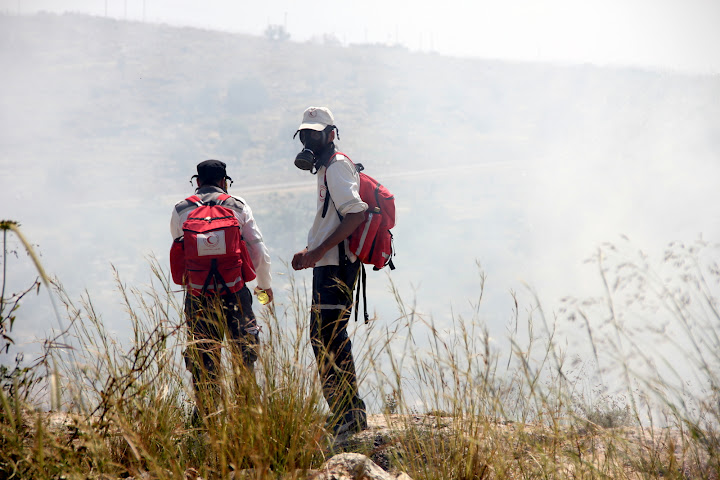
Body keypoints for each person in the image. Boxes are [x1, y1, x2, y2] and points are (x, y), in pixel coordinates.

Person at [171, 159, 273, 420]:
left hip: (198, 296)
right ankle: (247, 413)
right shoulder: (237, 205)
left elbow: (180, 250)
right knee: (244, 354)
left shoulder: (181, 209)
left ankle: (206, 417)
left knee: (203, 358)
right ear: (224, 182)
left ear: (197, 182)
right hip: (235, 292)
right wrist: (263, 287)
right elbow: (258, 250)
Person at [291, 107, 369, 435]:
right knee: (323, 336)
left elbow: (356, 215)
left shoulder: (336, 167)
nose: (309, 138)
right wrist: (314, 253)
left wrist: (318, 250)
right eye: (305, 133)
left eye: (315, 133)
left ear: (330, 134)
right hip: (327, 262)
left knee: (329, 337)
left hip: (336, 263)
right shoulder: (326, 168)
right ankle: (343, 411)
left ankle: (348, 414)